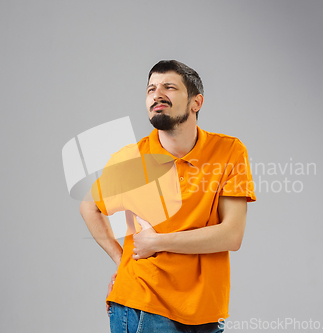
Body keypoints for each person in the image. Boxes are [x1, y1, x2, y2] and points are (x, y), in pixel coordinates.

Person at [79, 60, 256, 333]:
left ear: (196, 102)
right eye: (151, 89)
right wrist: (122, 261)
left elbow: (232, 235)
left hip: (206, 311)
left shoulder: (229, 152)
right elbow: (89, 206)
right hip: (143, 305)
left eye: (169, 87)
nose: (157, 94)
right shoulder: (132, 159)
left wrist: (157, 242)